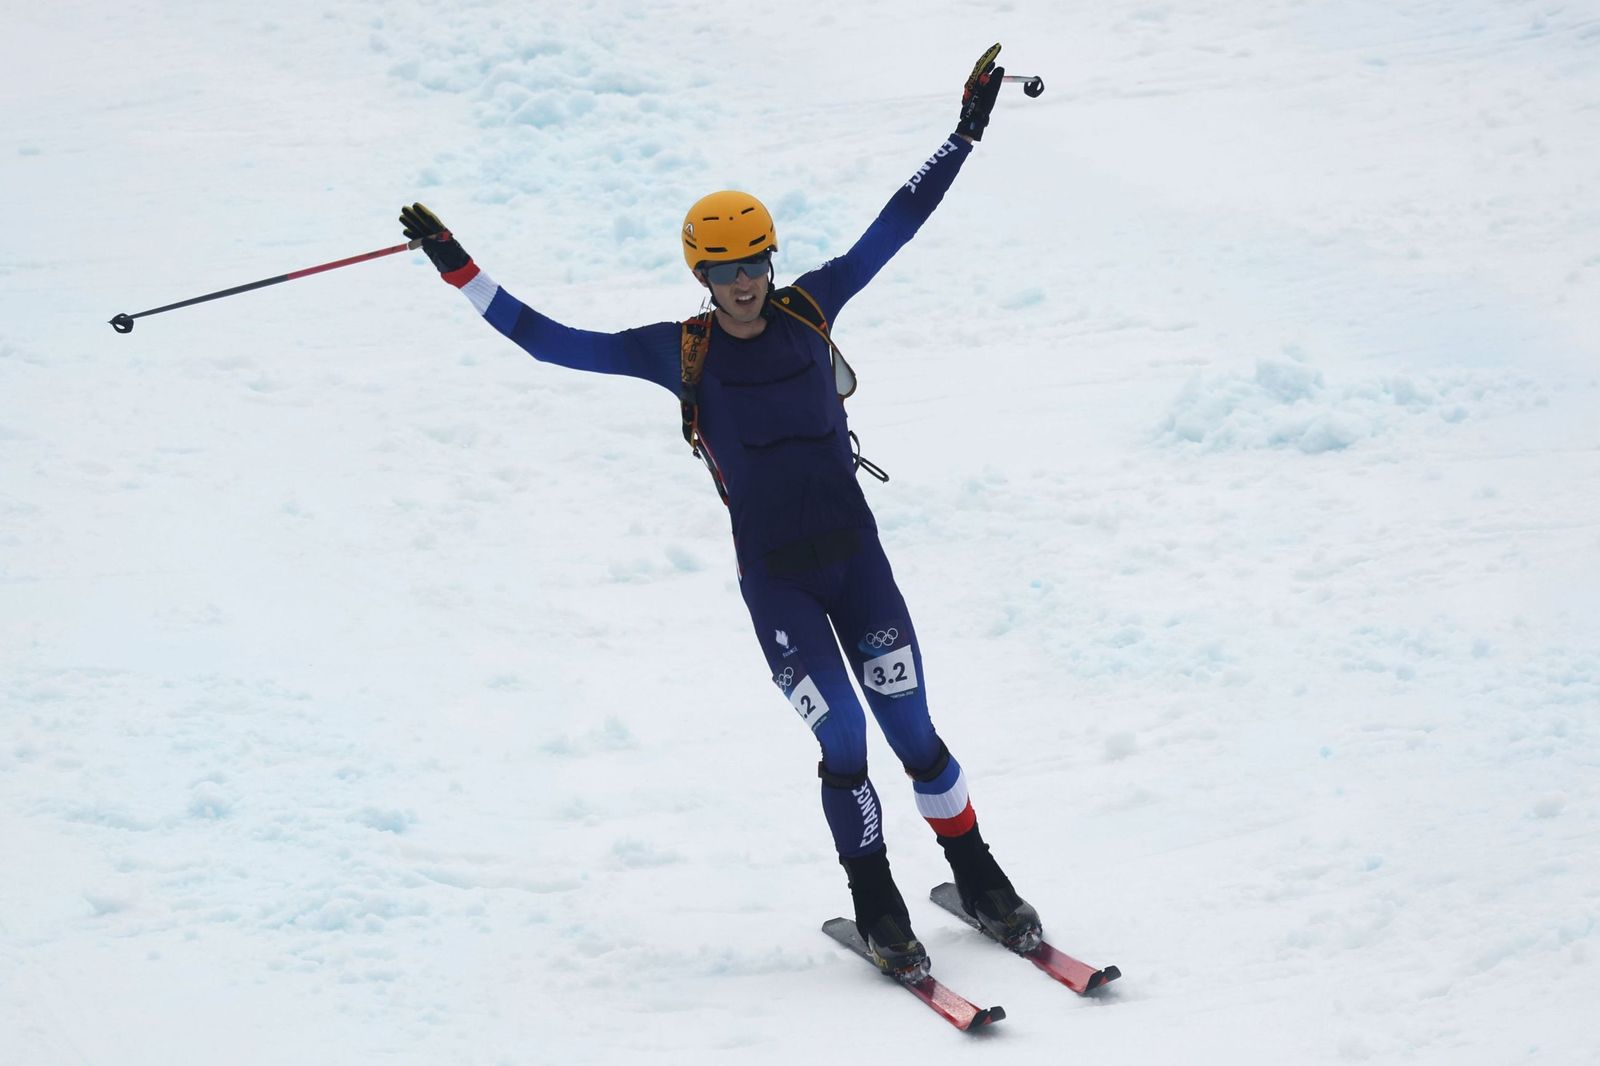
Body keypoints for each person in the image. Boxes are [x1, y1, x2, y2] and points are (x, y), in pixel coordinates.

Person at [400, 44, 1038, 983]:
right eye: (723, 269)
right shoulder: (677, 352)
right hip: (777, 583)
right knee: (845, 744)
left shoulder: (813, 307)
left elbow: (896, 223)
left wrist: (966, 133)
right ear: (699, 274)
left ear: (771, 260)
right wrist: (459, 267)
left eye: (754, 263)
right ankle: (879, 908)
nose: (743, 283)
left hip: (858, 563)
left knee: (915, 731)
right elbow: (545, 341)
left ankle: (979, 880)